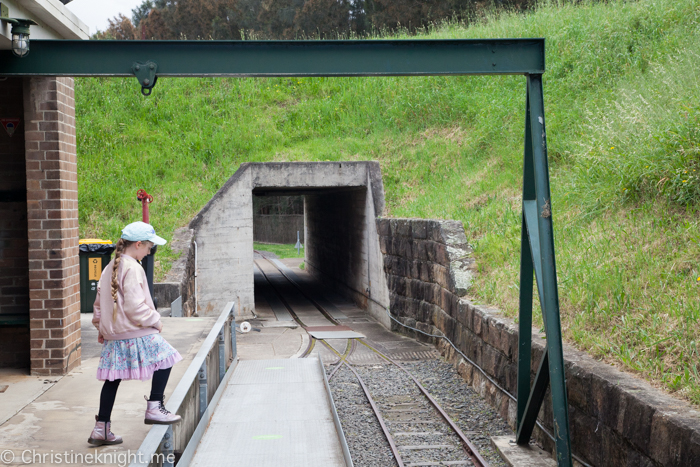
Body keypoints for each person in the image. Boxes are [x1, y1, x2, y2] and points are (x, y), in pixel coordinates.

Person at [88, 222, 183, 446]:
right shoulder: (133, 268)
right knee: (166, 357)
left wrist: (102, 328)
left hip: (115, 335)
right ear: (138, 244)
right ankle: (154, 407)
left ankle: (101, 428)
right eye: (149, 246)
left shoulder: (110, 266)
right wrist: (155, 321)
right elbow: (134, 307)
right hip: (134, 331)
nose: (150, 251)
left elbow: (98, 305)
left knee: (112, 379)